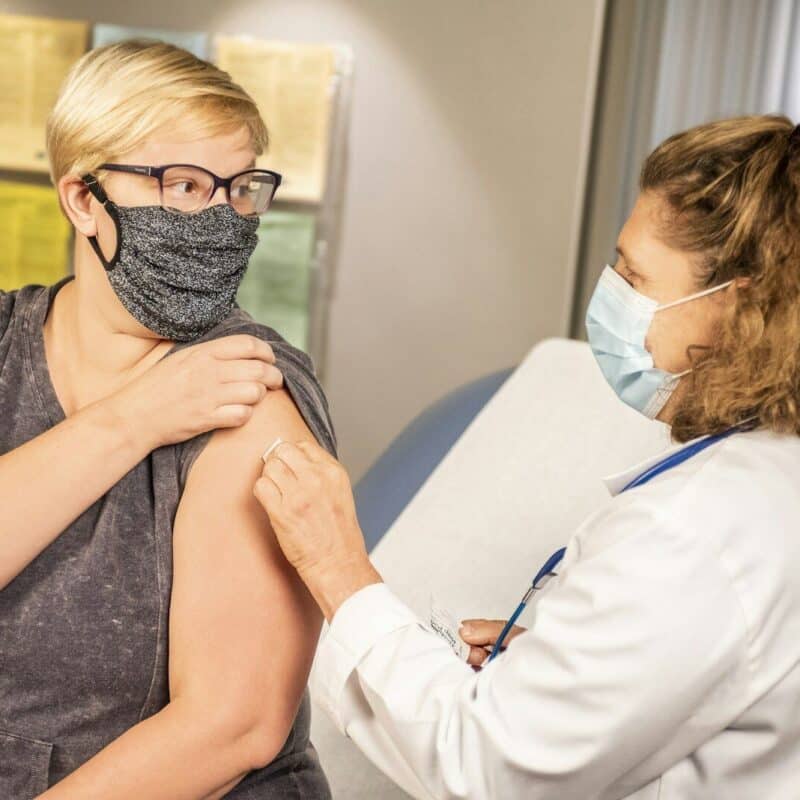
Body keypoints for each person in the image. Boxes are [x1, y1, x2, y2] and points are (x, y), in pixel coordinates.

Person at [254, 115, 800, 799]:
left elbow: (487, 767)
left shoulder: (699, 529)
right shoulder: (764, 481)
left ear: (736, 308)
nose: (610, 293)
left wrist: (339, 572)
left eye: (634, 275)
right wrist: (564, 675)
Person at [0, 41, 335, 799]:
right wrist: (134, 419)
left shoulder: (250, 387)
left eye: (240, 188)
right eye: (183, 185)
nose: (220, 218)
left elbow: (233, 724)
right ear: (82, 199)